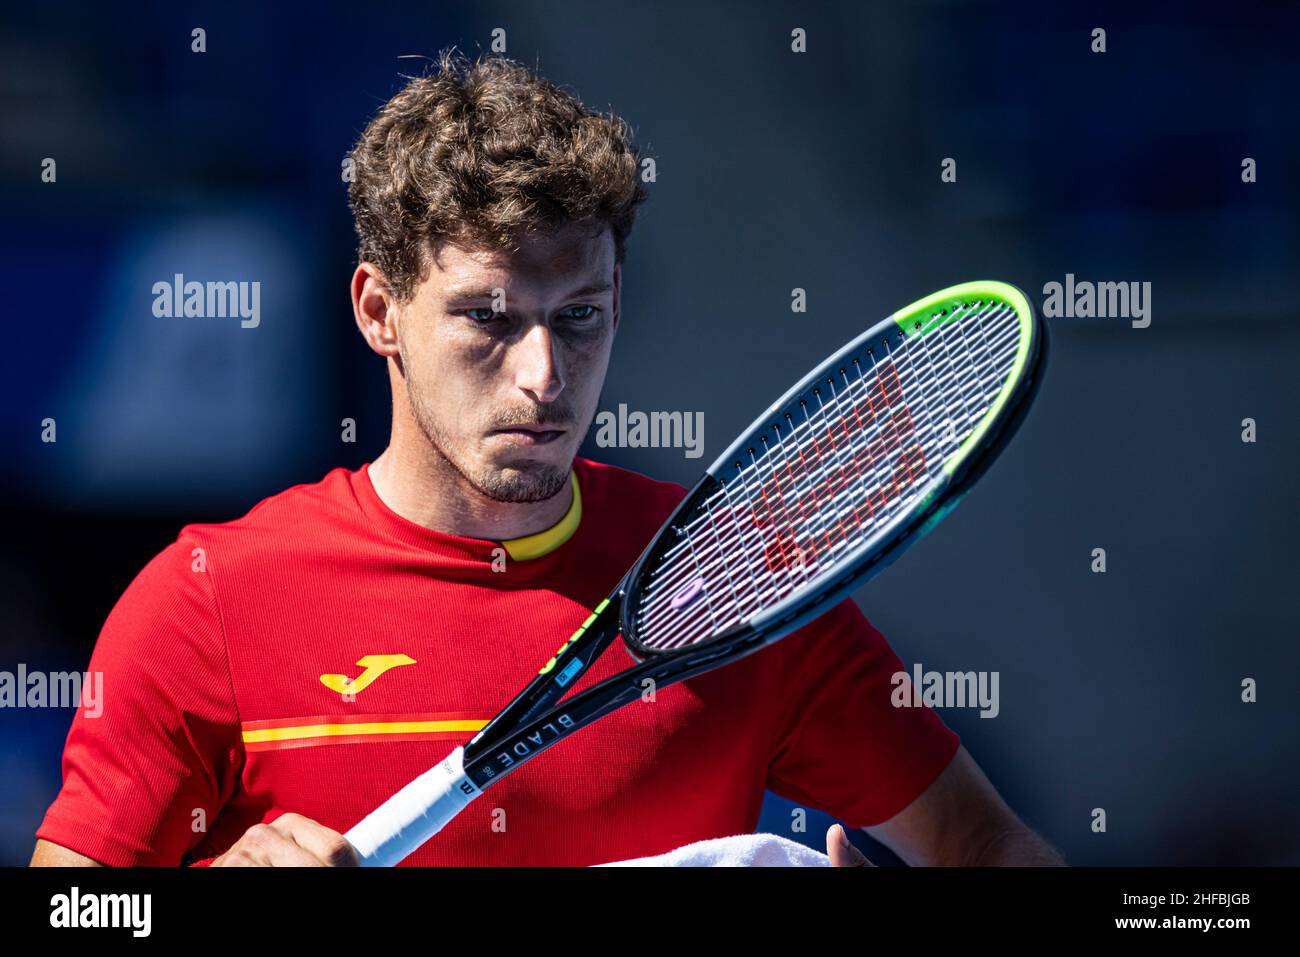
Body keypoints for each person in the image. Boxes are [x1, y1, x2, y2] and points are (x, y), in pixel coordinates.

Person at [32, 50, 1061, 868]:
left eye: (580, 318)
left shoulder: (735, 583)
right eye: (488, 317)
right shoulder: (205, 602)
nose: (543, 375)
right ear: (379, 312)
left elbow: (988, 848)